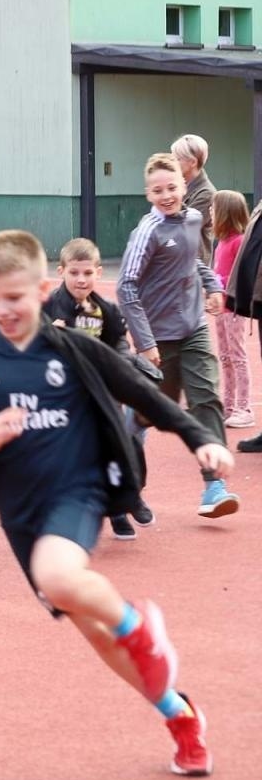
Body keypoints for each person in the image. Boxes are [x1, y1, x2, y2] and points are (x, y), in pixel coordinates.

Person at [0, 230, 223, 777]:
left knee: (62, 576)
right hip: (20, 512)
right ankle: (179, 713)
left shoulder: (72, 350)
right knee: (94, 633)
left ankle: (142, 628)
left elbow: (142, 393)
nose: (2, 309)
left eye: (14, 298)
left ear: (43, 291)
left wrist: (200, 439)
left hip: (79, 490)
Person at [117, 153, 239, 519]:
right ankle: (123, 468)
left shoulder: (194, 219)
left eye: (172, 187)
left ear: (184, 186)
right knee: (154, 411)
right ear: (148, 194)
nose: (167, 195)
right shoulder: (147, 232)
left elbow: (195, 261)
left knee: (206, 400)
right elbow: (125, 287)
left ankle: (214, 486)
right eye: (158, 190)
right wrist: (147, 341)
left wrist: (211, 285)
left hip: (194, 328)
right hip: (159, 338)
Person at [43, 237, 159, 542]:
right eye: (74, 273)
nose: (81, 280)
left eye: (87, 273)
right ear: (61, 272)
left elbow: (119, 342)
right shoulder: (49, 309)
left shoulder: (106, 309)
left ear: (97, 272)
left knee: (128, 442)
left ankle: (127, 498)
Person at [211, 190, 253, 430]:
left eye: (214, 209)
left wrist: (220, 281)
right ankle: (227, 406)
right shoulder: (221, 242)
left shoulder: (238, 241)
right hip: (221, 309)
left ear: (225, 213)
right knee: (225, 357)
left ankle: (244, 407)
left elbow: (240, 275)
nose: (210, 213)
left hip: (234, 308)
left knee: (237, 357)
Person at [170, 133, 215, 264]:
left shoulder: (206, 193)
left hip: (192, 267)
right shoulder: (177, 186)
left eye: (177, 158)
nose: (172, 161)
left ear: (193, 162)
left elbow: (181, 227)